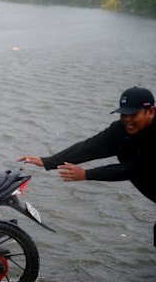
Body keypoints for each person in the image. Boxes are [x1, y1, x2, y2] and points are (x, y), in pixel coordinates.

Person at [18, 86, 155, 204]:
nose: (127, 119)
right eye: (123, 114)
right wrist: (48, 161)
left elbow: (133, 169)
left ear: (151, 112)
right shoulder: (121, 129)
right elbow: (91, 146)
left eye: (133, 114)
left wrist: (87, 174)